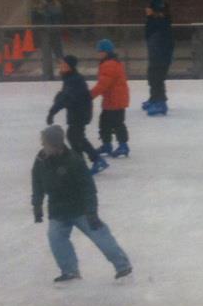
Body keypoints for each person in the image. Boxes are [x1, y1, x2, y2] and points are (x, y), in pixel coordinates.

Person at [31, 125, 132, 284]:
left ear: (55, 144)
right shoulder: (41, 160)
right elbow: (37, 183)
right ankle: (70, 271)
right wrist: (37, 205)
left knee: (101, 237)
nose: (43, 146)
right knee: (56, 238)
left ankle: (123, 267)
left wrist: (91, 212)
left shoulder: (74, 160)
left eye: (45, 143)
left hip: (80, 208)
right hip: (58, 210)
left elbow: (88, 188)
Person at [47, 55, 107, 172]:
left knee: (75, 137)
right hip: (79, 112)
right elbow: (65, 95)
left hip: (80, 113)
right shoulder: (70, 78)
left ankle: (88, 162)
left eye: (64, 65)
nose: (61, 67)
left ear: (70, 67)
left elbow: (66, 98)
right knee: (76, 137)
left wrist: (52, 112)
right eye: (61, 64)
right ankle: (86, 162)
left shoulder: (74, 80)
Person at [90, 39, 129, 162]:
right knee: (105, 123)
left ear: (106, 52)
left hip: (115, 101)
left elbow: (103, 84)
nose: (98, 54)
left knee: (117, 124)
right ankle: (107, 145)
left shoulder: (109, 65)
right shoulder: (109, 63)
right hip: (112, 100)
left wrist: (89, 96)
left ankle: (123, 145)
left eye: (100, 51)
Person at [143, 0, 174, 116]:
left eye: (148, 7)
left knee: (157, 79)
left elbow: (167, 42)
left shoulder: (161, 23)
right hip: (155, 54)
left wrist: (163, 56)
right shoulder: (154, 21)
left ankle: (160, 103)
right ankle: (154, 99)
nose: (146, 9)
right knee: (152, 77)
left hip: (160, 56)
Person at [32, 0, 64, 80]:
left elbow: (56, 14)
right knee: (46, 55)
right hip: (45, 32)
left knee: (59, 54)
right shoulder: (40, 4)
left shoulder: (56, 4)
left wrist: (45, 9)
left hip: (55, 31)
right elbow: (35, 16)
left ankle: (65, 73)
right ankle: (47, 75)